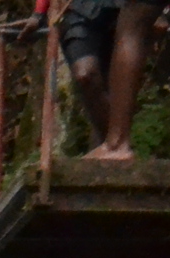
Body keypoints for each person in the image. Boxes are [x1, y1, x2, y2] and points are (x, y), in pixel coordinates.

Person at [63, 0, 163, 161]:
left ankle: (116, 143)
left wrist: (163, 12)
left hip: (119, 10)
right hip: (83, 12)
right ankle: (113, 142)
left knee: (133, 27)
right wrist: (39, 13)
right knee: (86, 74)